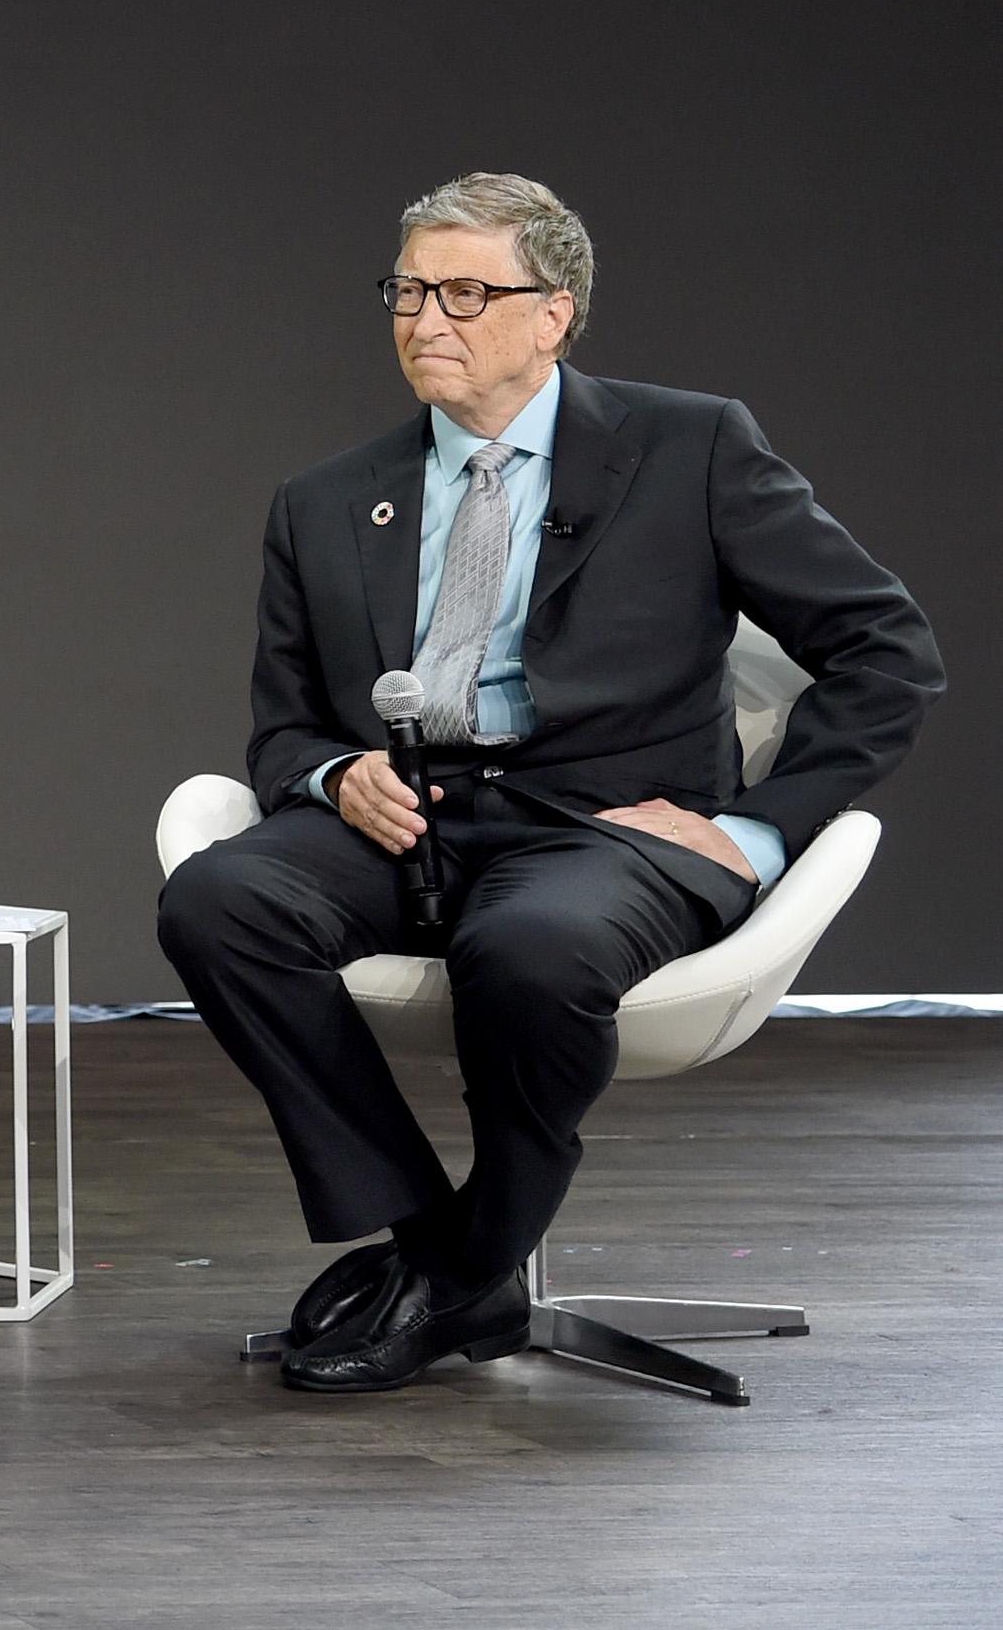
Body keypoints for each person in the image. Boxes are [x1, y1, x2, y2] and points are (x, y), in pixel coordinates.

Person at [156, 172, 941, 1393]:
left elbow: (889, 651)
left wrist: (757, 828)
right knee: (219, 900)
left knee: (531, 948)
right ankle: (449, 1251)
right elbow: (280, 731)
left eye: (467, 291)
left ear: (554, 314)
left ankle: (465, 1256)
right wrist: (333, 772)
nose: (428, 319)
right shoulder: (320, 502)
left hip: (611, 832)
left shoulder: (691, 446)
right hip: (410, 819)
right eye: (410, 289)